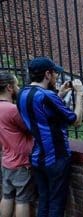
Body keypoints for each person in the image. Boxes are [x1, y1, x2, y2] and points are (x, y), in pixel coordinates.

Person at [16, 57, 83, 217]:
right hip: (56, 158)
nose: (56, 77)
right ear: (47, 74)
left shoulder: (22, 93)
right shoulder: (47, 96)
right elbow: (76, 121)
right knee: (56, 204)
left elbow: (42, 113)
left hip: (37, 157)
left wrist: (59, 94)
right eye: (55, 74)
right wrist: (80, 95)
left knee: (44, 200)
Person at [0, 72, 35, 217]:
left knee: (7, 196)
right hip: (21, 162)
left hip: (7, 160)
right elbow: (31, 128)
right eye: (16, 84)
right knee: (23, 200)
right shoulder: (12, 110)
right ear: (9, 87)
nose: (18, 87)